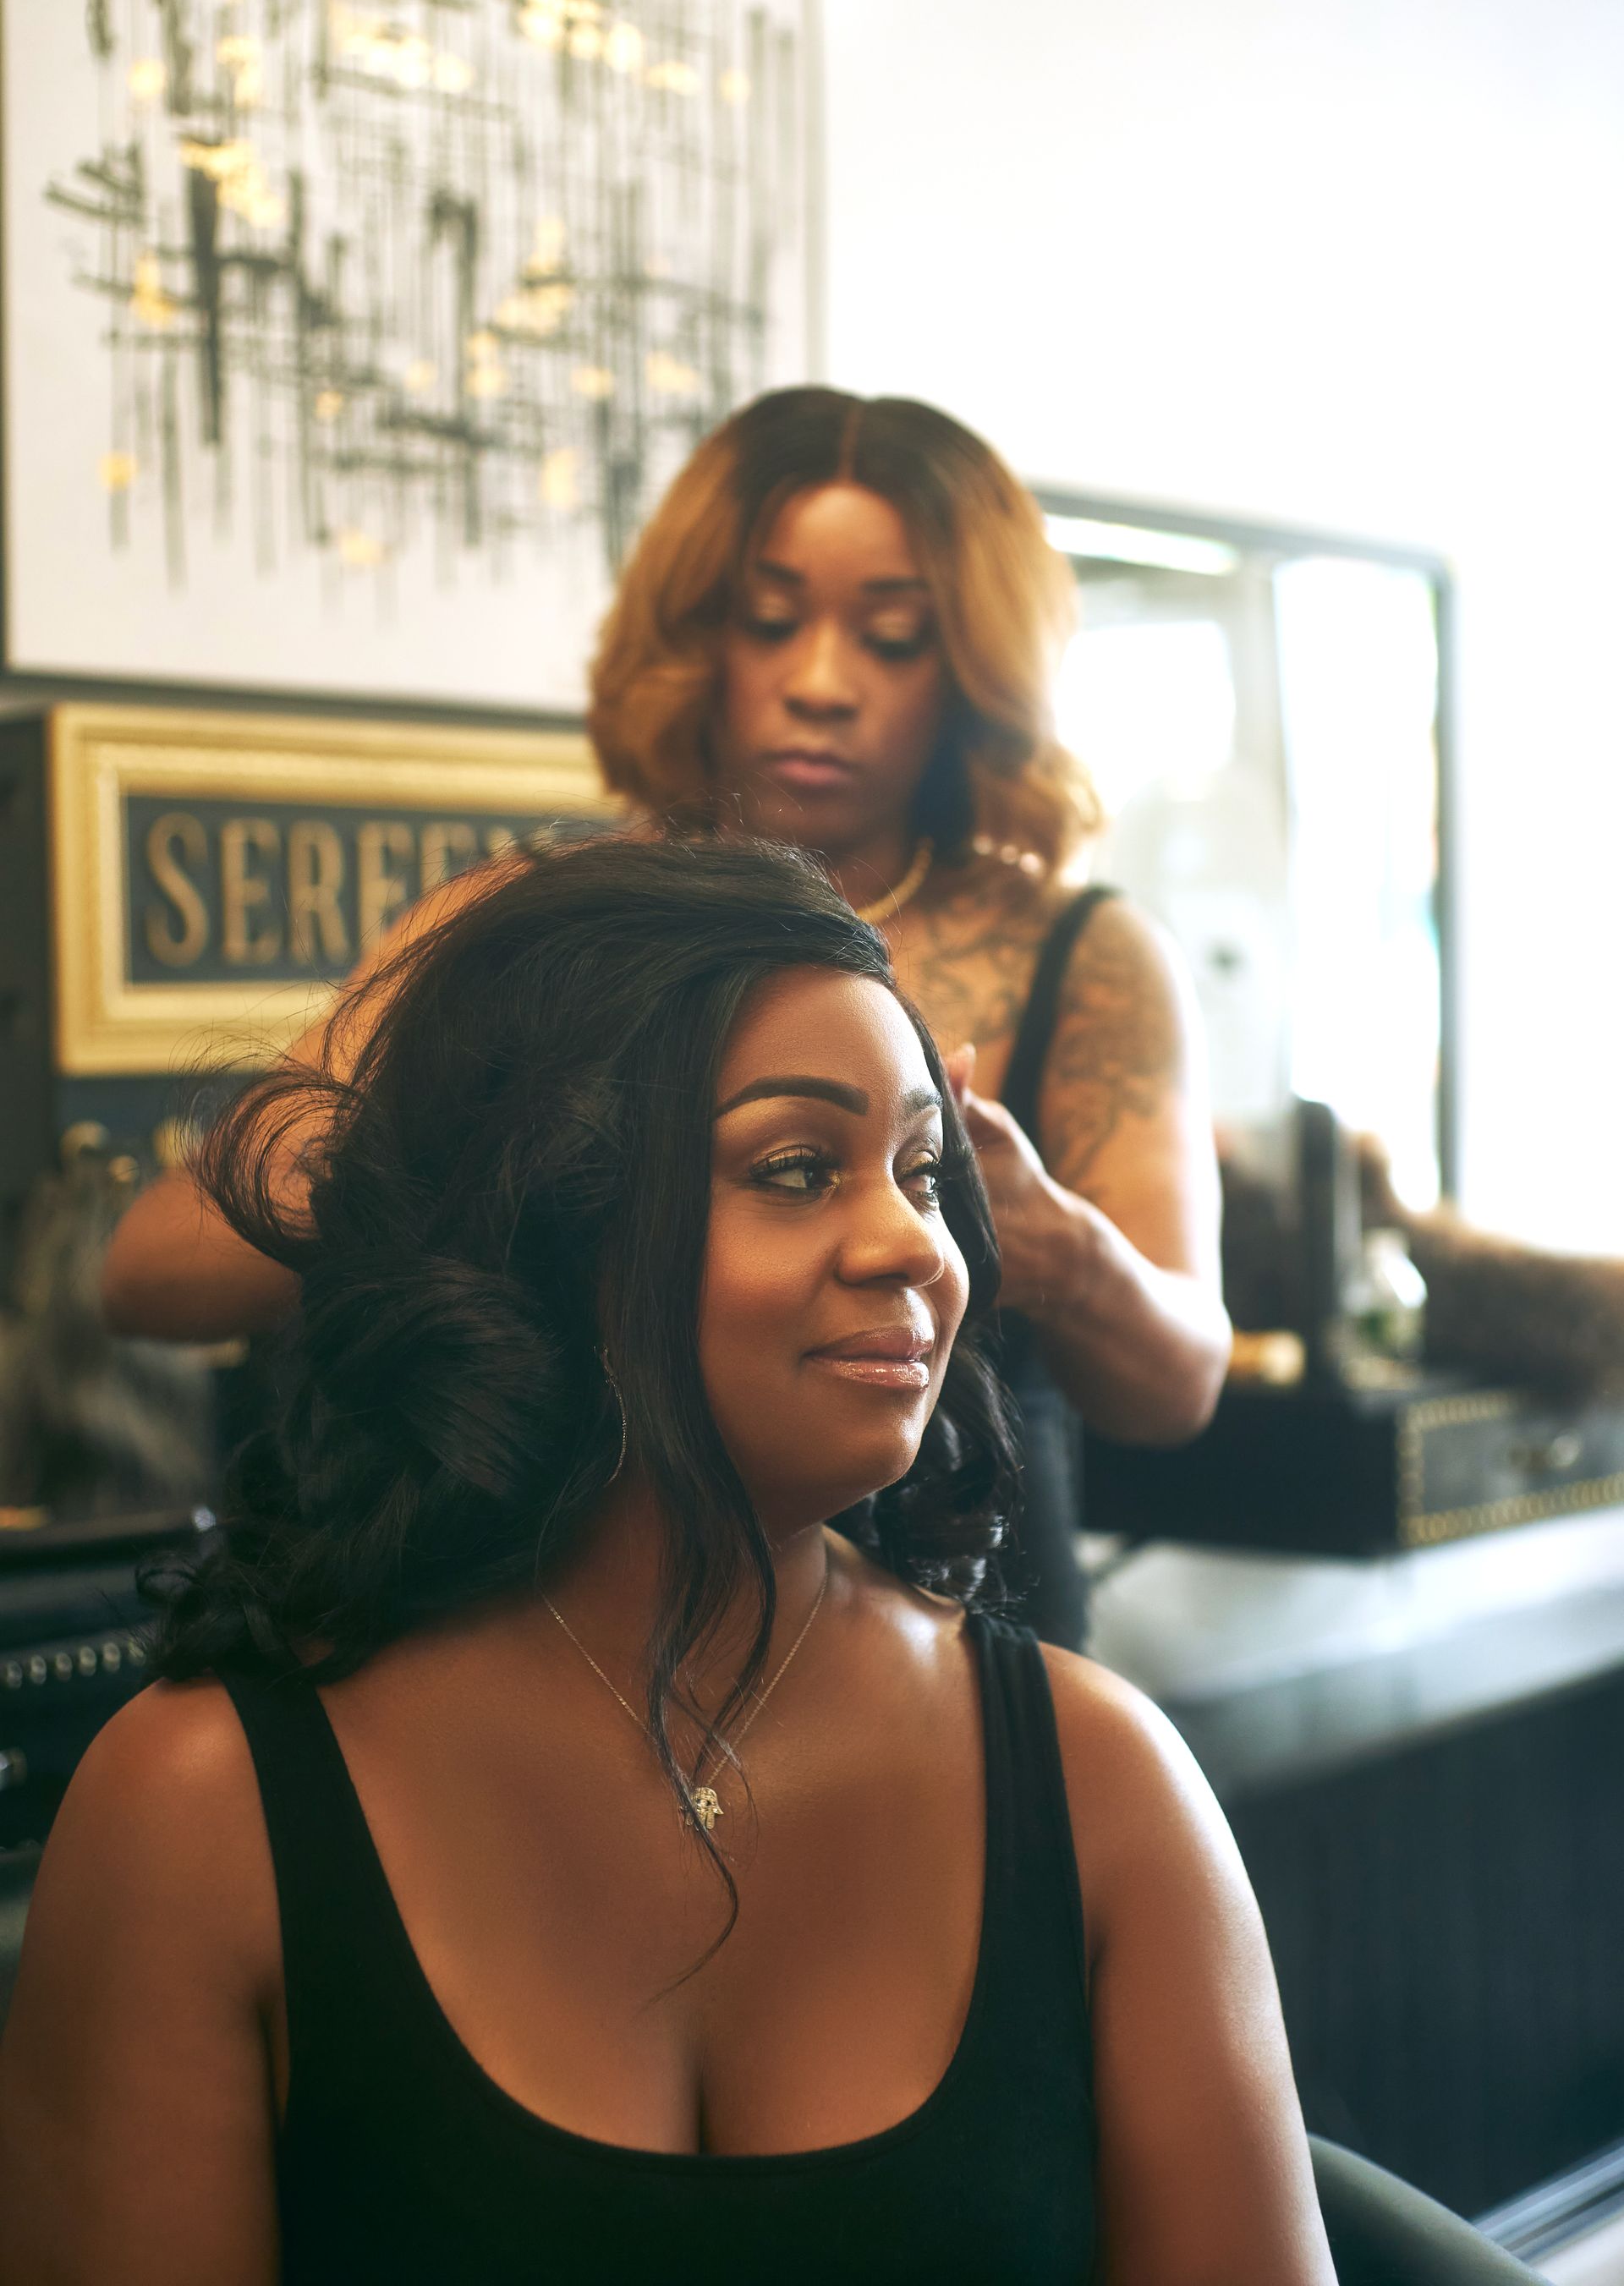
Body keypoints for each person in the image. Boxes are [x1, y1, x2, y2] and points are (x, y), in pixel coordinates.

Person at [3, 841, 1333, 2284]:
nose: (917, 1245)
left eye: (922, 1171)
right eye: (796, 1169)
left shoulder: (1101, 1784)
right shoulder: (199, 1816)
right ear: (545, 1225)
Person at [103, 387, 1229, 1650]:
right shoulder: (524, 933)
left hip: (954, 1641)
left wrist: (1058, 1248)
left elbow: (1180, 1383)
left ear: (974, 666)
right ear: (697, 638)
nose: (822, 684)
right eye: (769, 622)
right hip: (562, 1657)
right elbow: (149, 1274)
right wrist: (453, 1140)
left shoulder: (1084, 958)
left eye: (893, 638)